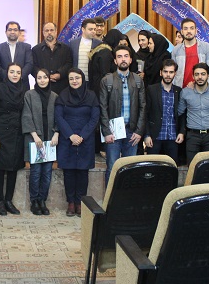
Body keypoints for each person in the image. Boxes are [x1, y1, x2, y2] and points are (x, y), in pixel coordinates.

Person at [55, 68, 100, 217]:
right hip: (67, 139)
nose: (74, 81)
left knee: (82, 172)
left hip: (85, 139)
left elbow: (94, 118)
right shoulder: (63, 95)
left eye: (77, 78)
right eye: (71, 79)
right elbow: (59, 117)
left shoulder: (91, 96)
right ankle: (71, 203)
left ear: (82, 79)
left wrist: (82, 136)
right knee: (68, 172)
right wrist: (70, 135)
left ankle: (80, 203)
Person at [99, 45, 146, 183]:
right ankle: (110, 197)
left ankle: (127, 197)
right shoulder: (107, 81)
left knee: (130, 169)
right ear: (115, 61)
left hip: (132, 132)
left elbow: (143, 107)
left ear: (131, 60)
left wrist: (139, 131)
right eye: (119, 57)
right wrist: (106, 131)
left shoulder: (138, 80)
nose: (123, 59)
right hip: (113, 132)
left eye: (126, 56)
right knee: (112, 168)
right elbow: (102, 108)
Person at [0, 63, 26, 216]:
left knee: (13, 168)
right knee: (0, 168)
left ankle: (9, 201)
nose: (15, 75)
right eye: (12, 72)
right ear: (7, 73)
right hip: (1, 134)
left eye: (18, 72)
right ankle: (0, 201)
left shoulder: (24, 89)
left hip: (17, 134)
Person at [22, 68, 59, 216]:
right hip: (35, 139)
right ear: (35, 80)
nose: (42, 80)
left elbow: (59, 117)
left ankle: (43, 200)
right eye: (39, 78)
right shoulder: (29, 95)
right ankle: (34, 201)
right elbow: (26, 116)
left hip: (50, 140)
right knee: (36, 172)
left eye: (45, 77)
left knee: (47, 173)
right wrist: (35, 135)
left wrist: (56, 134)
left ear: (49, 79)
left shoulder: (55, 96)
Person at [178, 63, 209, 163]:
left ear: (208, 75)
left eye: (203, 74)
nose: (200, 77)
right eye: (197, 74)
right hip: (192, 135)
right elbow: (179, 113)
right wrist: (181, 132)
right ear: (193, 76)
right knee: (192, 166)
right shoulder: (185, 92)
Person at [144, 59, 185, 161]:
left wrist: (182, 132)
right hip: (155, 137)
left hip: (173, 137)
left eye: (171, 72)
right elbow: (145, 114)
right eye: (165, 71)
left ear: (175, 73)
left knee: (172, 167)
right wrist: (146, 135)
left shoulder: (179, 91)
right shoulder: (151, 90)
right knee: (153, 167)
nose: (168, 75)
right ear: (160, 72)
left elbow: (182, 114)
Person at [172, 18, 209, 88]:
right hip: (180, 89)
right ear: (182, 32)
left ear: (196, 31)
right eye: (185, 29)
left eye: (191, 28)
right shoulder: (176, 49)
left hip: (201, 90)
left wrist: (205, 85)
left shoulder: (206, 47)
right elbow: (172, 71)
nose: (188, 31)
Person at [32, 22, 73, 95]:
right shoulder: (36, 50)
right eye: (46, 30)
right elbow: (33, 66)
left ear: (56, 32)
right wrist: (45, 76)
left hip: (62, 88)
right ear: (43, 33)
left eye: (51, 30)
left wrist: (59, 74)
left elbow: (69, 64)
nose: (49, 32)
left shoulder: (66, 48)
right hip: (42, 88)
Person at [88, 28, 121, 95]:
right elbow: (105, 74)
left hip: (98, 86)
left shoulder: (101, 49)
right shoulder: (105, 53)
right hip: (102, 89)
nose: (119, 43)